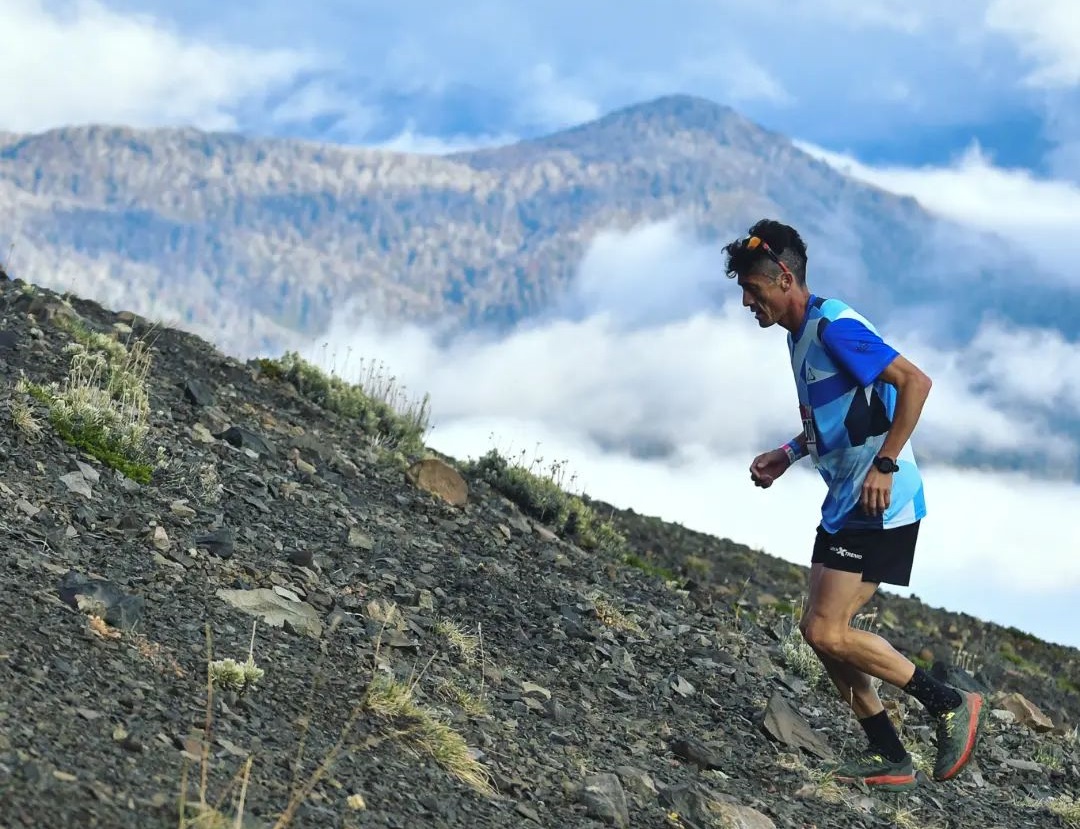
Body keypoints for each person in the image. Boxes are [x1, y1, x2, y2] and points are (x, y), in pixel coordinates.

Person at [722, 218, 984, 791]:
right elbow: (843, 415)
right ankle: (890, 755)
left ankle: (950, 704)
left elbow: (916, 382)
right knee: (819, 632)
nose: (746, 302)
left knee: (827, 630)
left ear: (784, 277)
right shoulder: (800, 334)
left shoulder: (834, 325)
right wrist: (789, 452)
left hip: (879, 502)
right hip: (845, 501)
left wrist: (886, 464)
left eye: (753, 289)